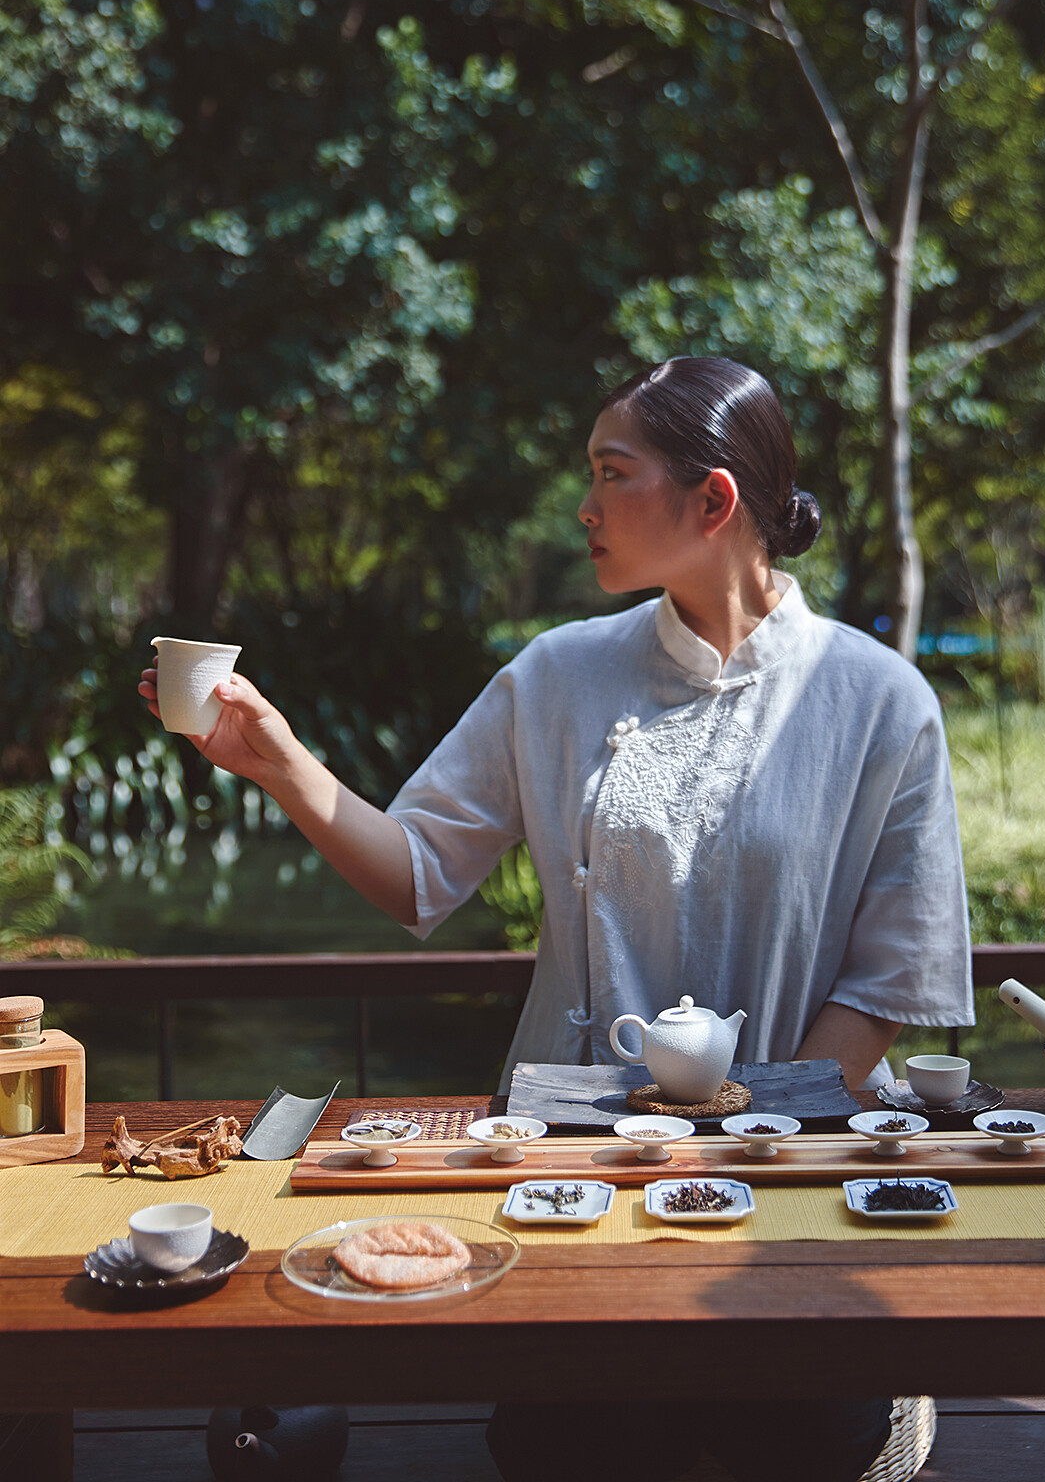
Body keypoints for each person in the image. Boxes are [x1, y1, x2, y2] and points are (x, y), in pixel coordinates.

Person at [139, 355, 973, 1482]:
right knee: (570, 1447)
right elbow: (421, 872)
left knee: (795, 1442)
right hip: (571, 1164)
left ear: (712, 500)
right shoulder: (558, 675)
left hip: (790, 1171)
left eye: (609, 472)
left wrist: (752, 1141)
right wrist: (282, 767)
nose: (581, 504)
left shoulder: (878, 700)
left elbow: (888, 981)